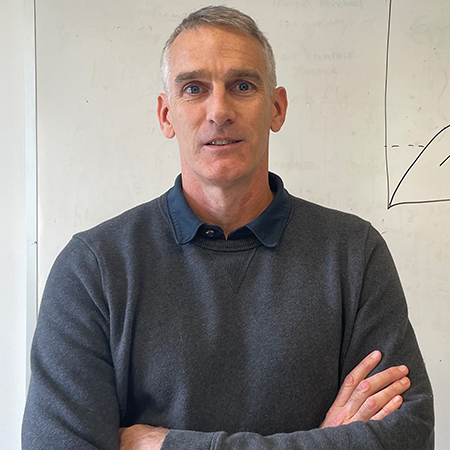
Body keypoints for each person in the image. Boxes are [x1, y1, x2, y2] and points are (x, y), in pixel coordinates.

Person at [22, 5, 434, 450]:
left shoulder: (355, 254)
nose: (219, 110)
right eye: (194, 88)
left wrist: (167, 445)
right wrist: (324, 442)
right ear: (166, 116)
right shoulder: (93, 269)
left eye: (242, 85)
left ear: (276, 109)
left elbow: (407, 437)